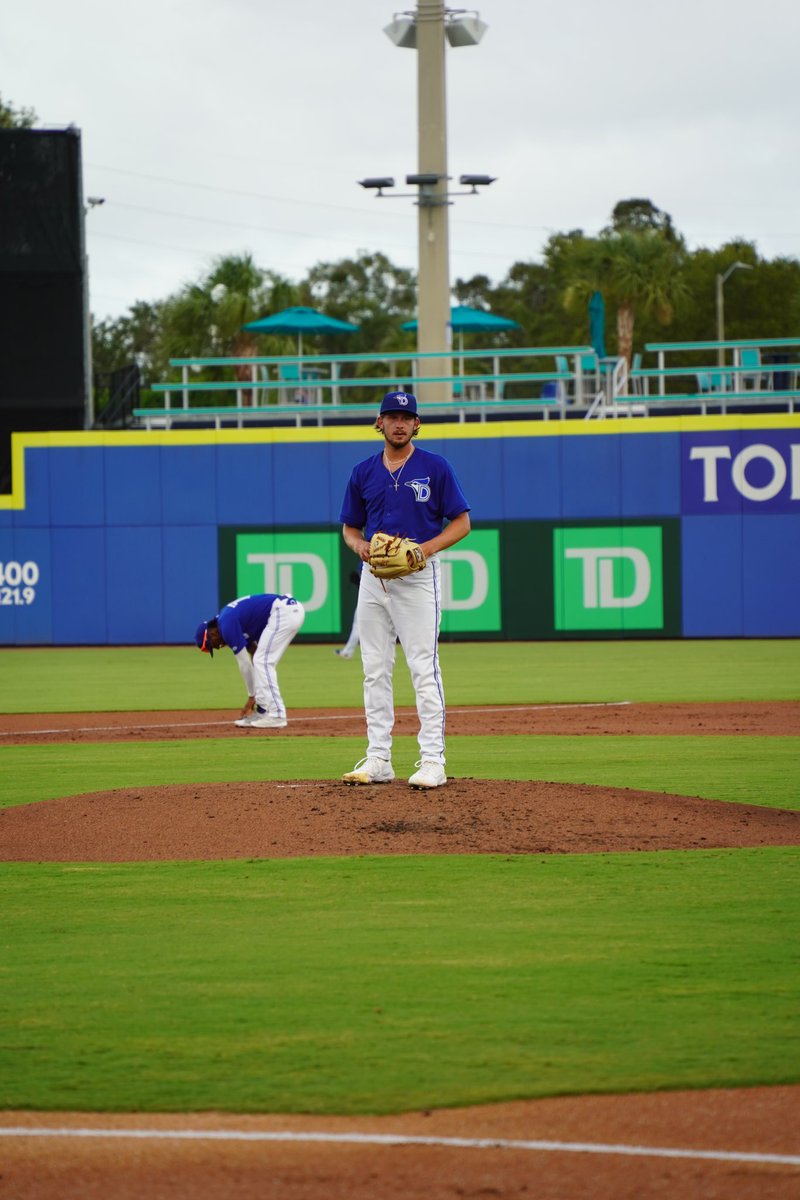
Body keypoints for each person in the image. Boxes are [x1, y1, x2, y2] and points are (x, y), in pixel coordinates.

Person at [339, 389, 471, 788]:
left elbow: (462, 523)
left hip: (418, 577)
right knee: (374, 670)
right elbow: (350, 529)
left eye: (406, 418)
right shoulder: (363, 472)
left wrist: (424, 550)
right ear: (379, 422)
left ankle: (433, 760)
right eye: (392, 417)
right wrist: (360, 546)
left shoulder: (435, 467)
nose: (399, 424)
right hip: (374, 577)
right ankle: (379, 758)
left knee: (422, 667)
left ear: (417, 424)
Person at [195, 593, 305, 729]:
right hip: (287, 612)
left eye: (213, 645)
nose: (218, 647)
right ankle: (263, 711)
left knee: (262, 662)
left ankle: (277, 715)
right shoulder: (227, 621)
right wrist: (257, 697)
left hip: (283, 613)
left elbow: (244, 664)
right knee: (260, 661)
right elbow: (253, 650)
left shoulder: (226, 625)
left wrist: (252, 695)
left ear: (212, 634)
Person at [334, 570, 362, 659]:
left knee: (357, 627)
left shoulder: (363, 565)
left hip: (368, 603)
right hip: (377, 600)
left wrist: (358, 582)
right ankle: (388, 652)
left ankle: (347, 652)